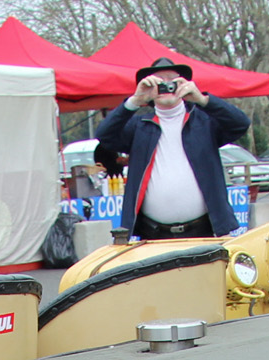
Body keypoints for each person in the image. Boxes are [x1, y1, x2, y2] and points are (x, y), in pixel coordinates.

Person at [94, 60, 252, 240]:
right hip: (153, 234)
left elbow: (240, 124)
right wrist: (134, 101)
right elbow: (105, 135)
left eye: (172, 81)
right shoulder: (139, 127)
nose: (165, 86)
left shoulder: (204, 122)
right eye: (158, 81)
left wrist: (202, 99)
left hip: (204, 231)